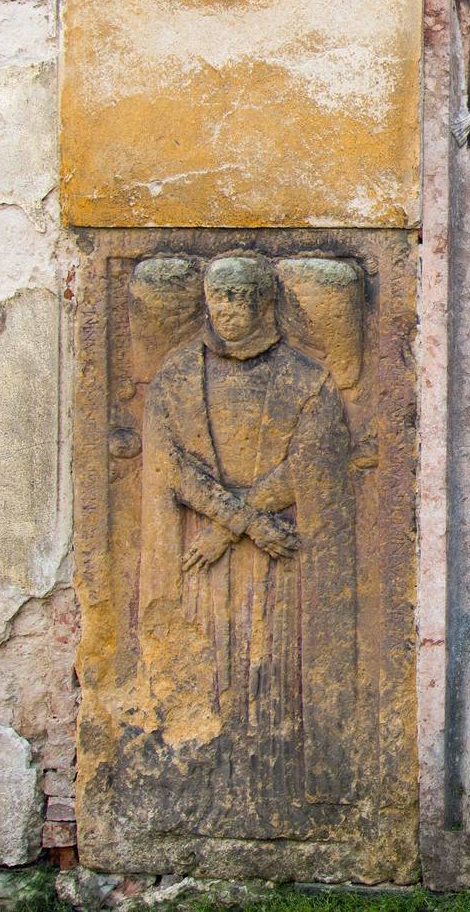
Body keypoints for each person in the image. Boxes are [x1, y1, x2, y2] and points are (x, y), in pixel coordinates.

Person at [139, 254, 356, 836]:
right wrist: (241, 524)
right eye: (220, 295)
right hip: (206, 557)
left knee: (272, 674)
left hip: (277, 562)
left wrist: (238, 526)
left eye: (242, 296)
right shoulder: (178, 375)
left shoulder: (304, 377)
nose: (230, 308)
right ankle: (198, 794)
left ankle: (279, 802)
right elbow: (171, 467)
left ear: (266, 301)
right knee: (207, 670)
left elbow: (309, 461)